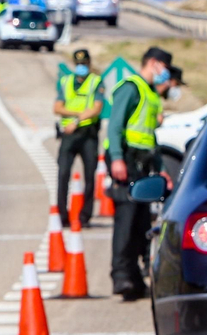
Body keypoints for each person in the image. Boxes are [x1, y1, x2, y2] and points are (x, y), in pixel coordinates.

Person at [106, 46, 181, 300]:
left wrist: (161, 169)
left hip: (143, 162)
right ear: (153, 63)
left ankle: (135, 278)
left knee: (140, 223)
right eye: (164, 68)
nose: (165, 74)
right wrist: (117, 159)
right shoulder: (131, 87)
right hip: (125, 159)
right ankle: (121, 276)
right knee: (126, 221)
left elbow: (150, 138)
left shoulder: (150, 94)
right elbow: (115, 126)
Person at [53, 47, 106, 231]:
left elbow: (96, 108)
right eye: (78, 64)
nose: (81, 67)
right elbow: (57, 107)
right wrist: (76, 113)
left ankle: (85, 216)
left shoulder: (96, 82)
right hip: (69, 134)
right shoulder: (66, 81)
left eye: (84, 64)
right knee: (63, 173)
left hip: (88, 134)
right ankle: (62, 214)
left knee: (90, 175)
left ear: (89, 64)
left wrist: (76, 119)